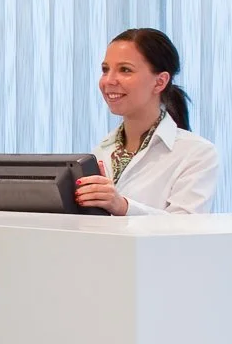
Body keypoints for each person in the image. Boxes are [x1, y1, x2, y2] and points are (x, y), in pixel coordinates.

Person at [72, 27, 219, 216]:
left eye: (125, 70)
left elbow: (185, 226)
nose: (109, 80)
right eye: (105, 69)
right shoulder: (101, 151)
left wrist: (123, 206)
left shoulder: (197, 153)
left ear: (160, 82)